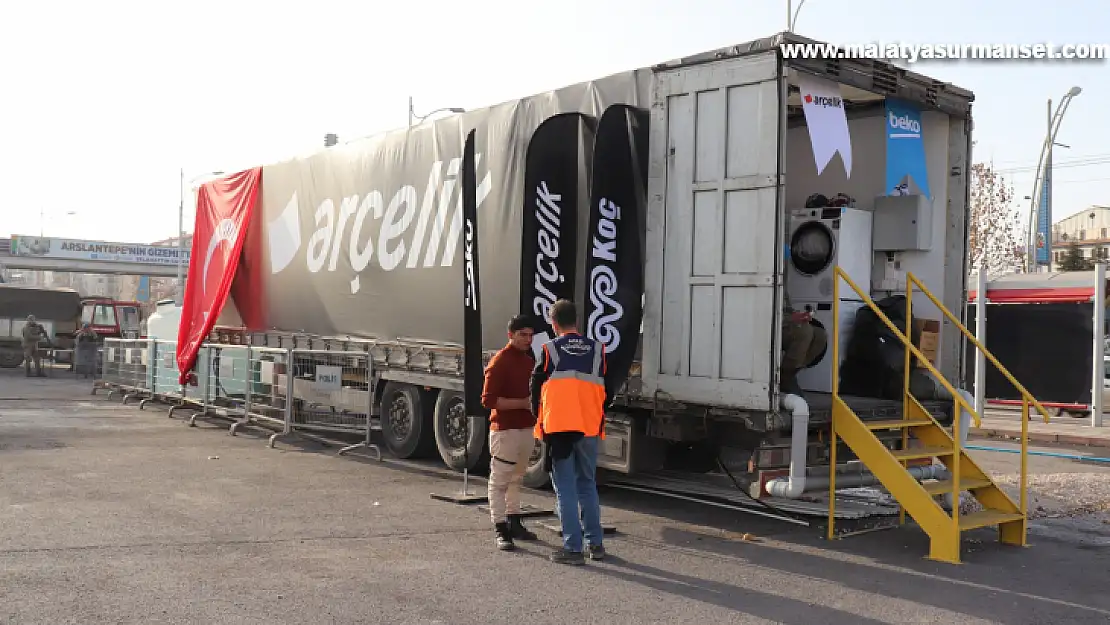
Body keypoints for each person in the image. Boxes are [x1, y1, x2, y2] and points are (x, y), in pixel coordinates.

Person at [530, 299, 608, 565]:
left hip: (560, 429)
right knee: (587, 484)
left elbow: (535, 389)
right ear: (577, 320)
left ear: (554, 323)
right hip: (589, 427)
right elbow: (604, 387)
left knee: (565, 489)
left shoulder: (550, 349)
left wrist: (539, 419)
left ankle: (573, 548)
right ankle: (595, 544)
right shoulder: (597, 349)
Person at [480, 315, 540, 552]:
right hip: (505, 430)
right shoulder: (499, 362)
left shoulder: (527, 362)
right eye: (522, 335)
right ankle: (500, 528)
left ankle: (514, 521)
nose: (527, 339)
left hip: (526, 428)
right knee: (500, 481)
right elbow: (488, 401)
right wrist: (523, 404)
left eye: (530, 335)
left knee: (517, 478)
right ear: (510, 335)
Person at [780, 291, 828, 396]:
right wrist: (790, 318)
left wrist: (798, 315)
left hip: (785, 319)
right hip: (771, 321)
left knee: (820, 335)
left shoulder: (782, 279)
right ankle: (784, 380)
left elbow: (787, 308)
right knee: (804, 331)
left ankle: (787, 376)